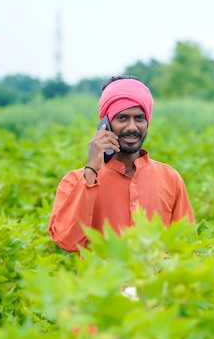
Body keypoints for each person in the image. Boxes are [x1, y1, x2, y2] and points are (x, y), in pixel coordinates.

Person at [48, 76, 195, 252]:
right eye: (122, 117)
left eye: (139, 118)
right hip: (104, 281)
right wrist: (91, 172)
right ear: (106, 124)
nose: (132, 127)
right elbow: (67, 241)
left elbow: (186, 246)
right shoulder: (75, 181)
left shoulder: (170, 178)